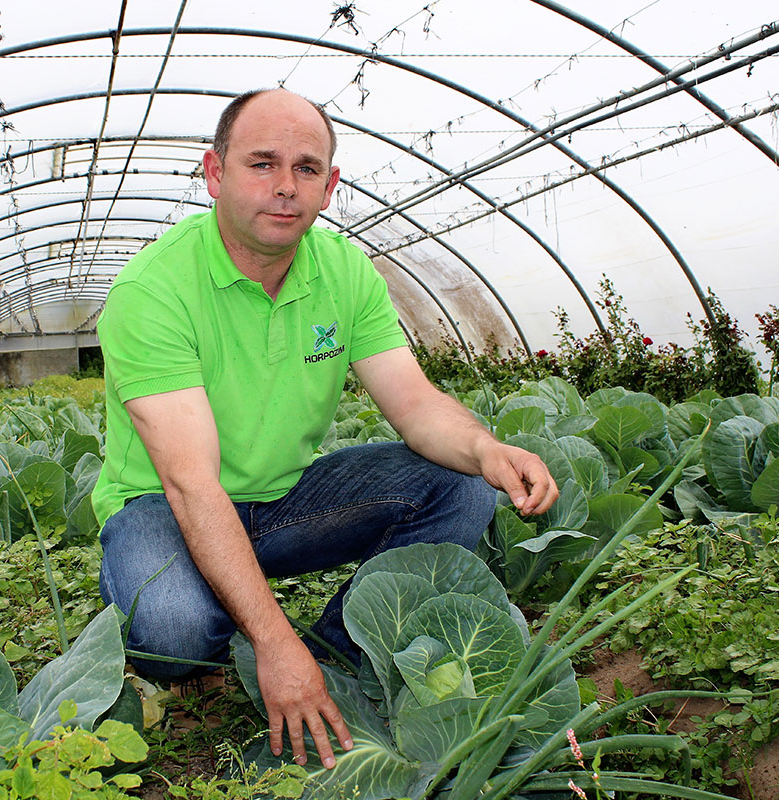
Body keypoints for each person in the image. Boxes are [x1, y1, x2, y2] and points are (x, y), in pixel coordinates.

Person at [90, 88, 558, 770]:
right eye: (262, 164)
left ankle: (330, 649)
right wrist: (268, 641)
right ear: (214, 173)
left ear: (330, 186)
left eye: (307, 168)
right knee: (174, 630)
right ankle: (245, 642)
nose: (285, 187)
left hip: (282, 505)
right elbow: (192, 484)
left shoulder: (344, 273)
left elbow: (416, 405)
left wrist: (487, 447)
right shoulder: (154, 291)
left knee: (461, 485)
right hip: (166, 509)